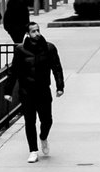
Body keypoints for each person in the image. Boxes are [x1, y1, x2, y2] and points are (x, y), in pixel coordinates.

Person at [13, 21, 66, 163]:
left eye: (38, 30)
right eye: (33, 31)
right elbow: (14, 71)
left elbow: (57, 68)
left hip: (43, 90)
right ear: (28, 34)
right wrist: (8, 90)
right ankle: (33, 150)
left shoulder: (49, 48)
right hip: (27, 91)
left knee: (47, 120)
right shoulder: (20, 50)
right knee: (29, 121)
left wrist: (60, 86)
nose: (37, 33)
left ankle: (43, 137)